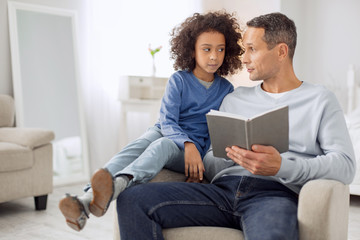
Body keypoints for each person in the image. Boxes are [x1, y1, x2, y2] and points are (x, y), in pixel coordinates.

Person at [115, 12, 356, 240]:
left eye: (252, 49)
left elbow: (345, 165)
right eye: (244, 50)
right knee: (132, 199)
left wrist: (282, 166)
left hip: (274, 195)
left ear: (281, 51)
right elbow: (210, 157)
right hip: (221, 190)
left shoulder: (320, 99)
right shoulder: (234, 98)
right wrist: (230, 156)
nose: (244, 58)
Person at [58, 11, 244, 231]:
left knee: (162, 145)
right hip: (169, 132)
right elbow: (167, 121)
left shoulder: (226, 90)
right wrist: (187, 142)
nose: (214, 56)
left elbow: (217, 131)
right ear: (192, 50)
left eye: (220, 49)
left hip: (188, 149)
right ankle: (86, 199)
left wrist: (195, 152)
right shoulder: (179, 80)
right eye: (207, 49)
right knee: (137, 145)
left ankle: (117, 185)